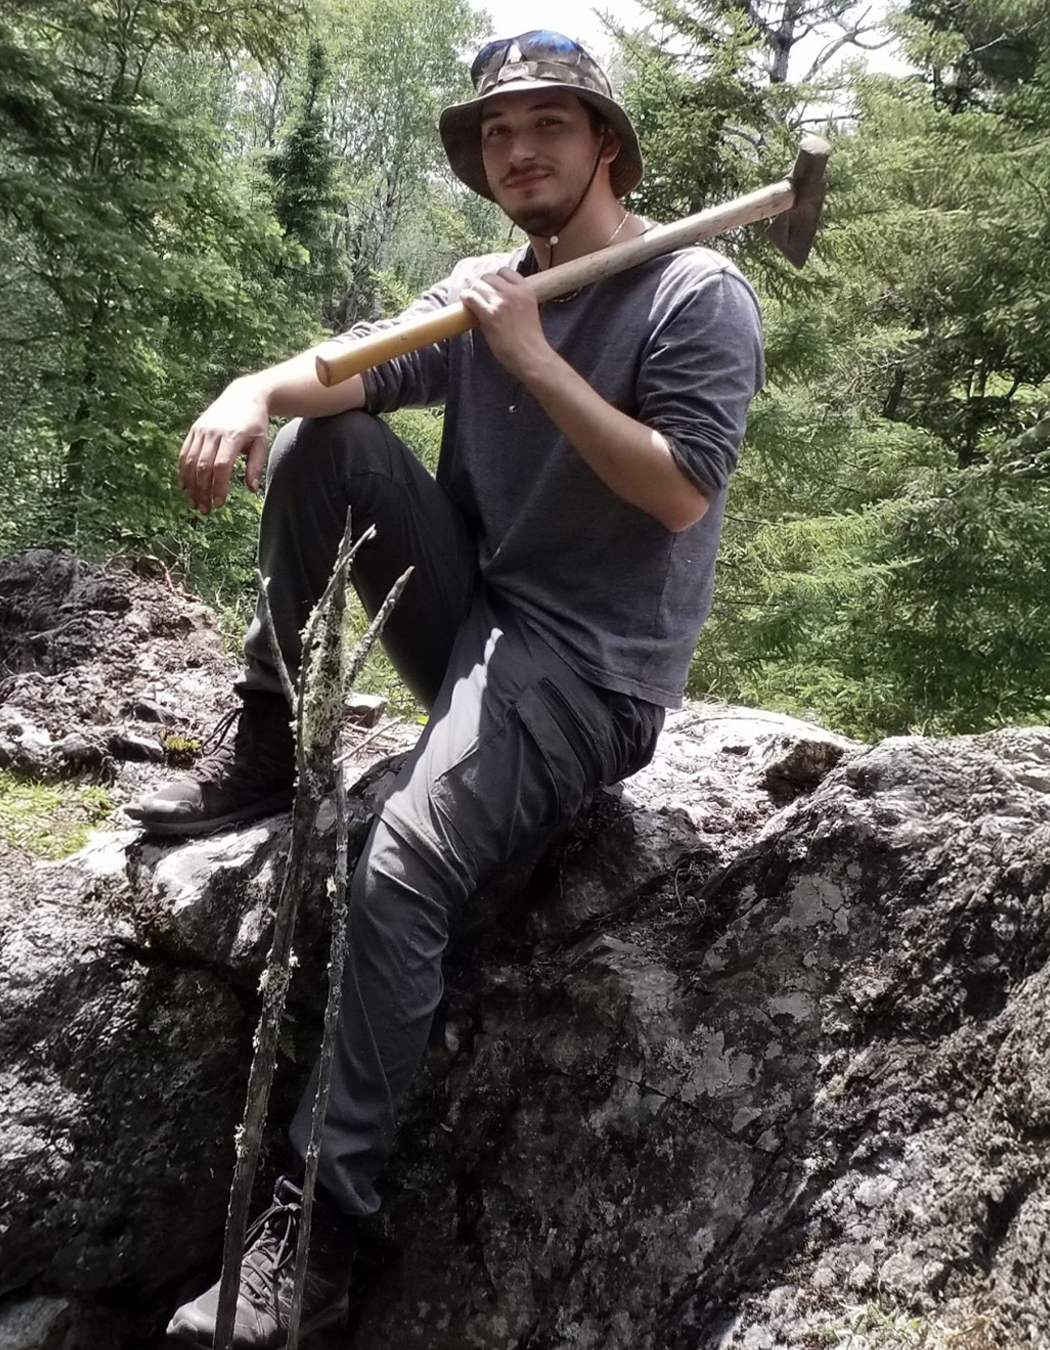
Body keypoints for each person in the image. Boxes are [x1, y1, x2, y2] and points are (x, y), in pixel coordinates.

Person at [138, 29, 764, 1349]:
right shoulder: (484, 284)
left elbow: (676, 488)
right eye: (496, 132)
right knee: (326, 440)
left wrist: (532, 354)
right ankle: (264, 737)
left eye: (548, 123)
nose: (519, 149)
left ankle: (319, 1231)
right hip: (474, 618)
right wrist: (253, 384)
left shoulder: (688, 294)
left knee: (401, 862)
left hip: (586, 669)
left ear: (606, 144)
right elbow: (346, 370)